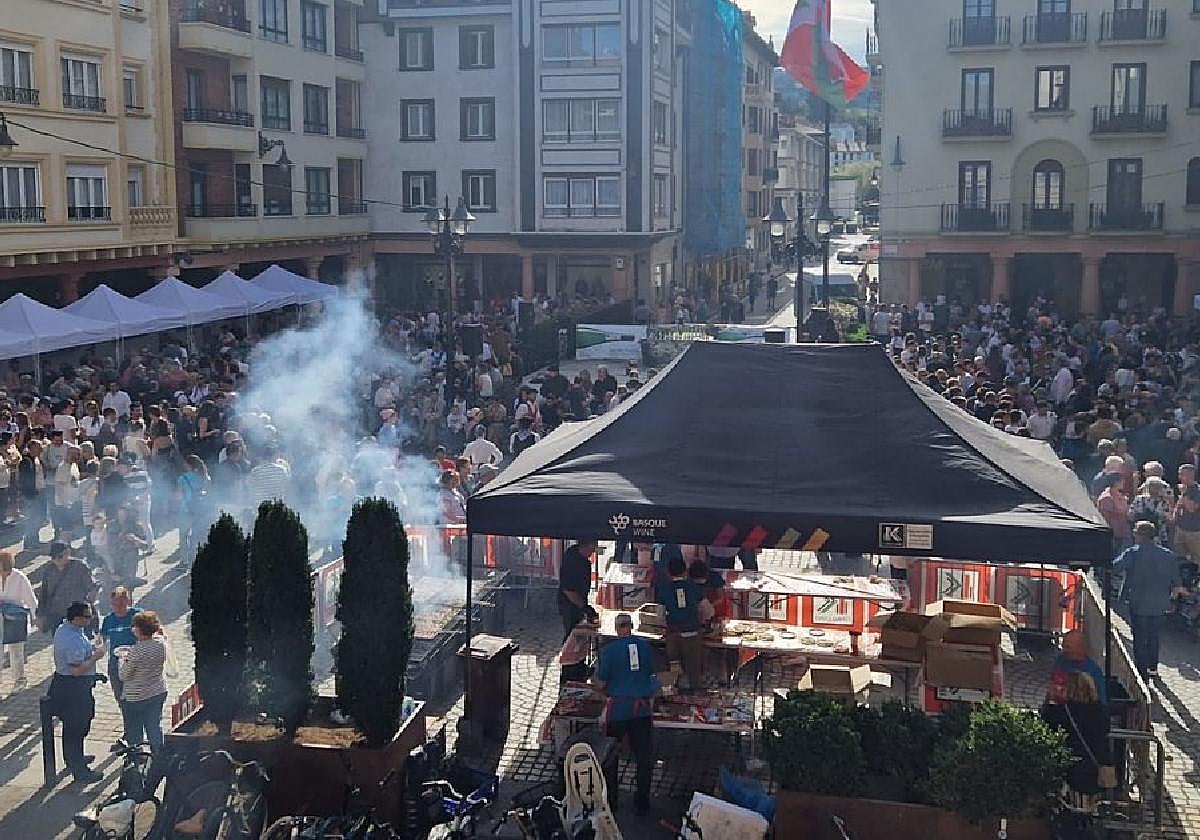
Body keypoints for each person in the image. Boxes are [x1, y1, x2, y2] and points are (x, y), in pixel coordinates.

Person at [593, 611, 658, 816]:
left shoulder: (609, 651)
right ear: (631, 627)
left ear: (616, 629)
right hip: (641, 710)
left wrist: (599, 689)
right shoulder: (646, 647)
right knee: (644, 757)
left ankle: (611, 800)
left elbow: (601, 683)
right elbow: (651, 677)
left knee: (611, 756)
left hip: (619, 711)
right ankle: (642, 801)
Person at [1113, 521, 1186, 679]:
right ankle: (1153, 667)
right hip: (1159, 603)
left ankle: (1141, 672)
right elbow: (1177, 581)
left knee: (1139, 636)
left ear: (1139, 535)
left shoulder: (1133, 552)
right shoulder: (1168, 555)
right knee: (1154, 636)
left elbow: (1115, 567)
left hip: (1138, 602)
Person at [49, 601, 106, 783]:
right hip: (73, 688)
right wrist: (96, 656)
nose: (91, 620)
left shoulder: (66, 629)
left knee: (76, 727)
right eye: (88, 617)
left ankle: (75, 758)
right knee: (76, 728)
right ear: (78, 618)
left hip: (69, 685)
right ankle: (80, 771)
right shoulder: (72, 639)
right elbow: (76, 670)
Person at [115, 610, 169, 750]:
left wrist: (122, 659)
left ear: (139, 629)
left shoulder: (137, 650)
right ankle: (158, 757)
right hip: (157, 691)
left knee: (135, 730)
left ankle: (137, 757)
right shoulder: (160, 643)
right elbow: (162, 636)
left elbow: (123, 675)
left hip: (137, 697)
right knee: (154, 727)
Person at [654, 554, 704, 692]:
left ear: (668, 573)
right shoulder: (694, 587)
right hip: (692, 633)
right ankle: (695, 698)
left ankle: (674, 696)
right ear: (685, 571)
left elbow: (659, 615)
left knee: (675, 668)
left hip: (673, 634)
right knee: (693, 669)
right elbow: (707, 610)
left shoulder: (664, 589)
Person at [37, 541, 97, 634]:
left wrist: (91, 599)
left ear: (68, 553)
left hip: (78, 615)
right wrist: (40, 616)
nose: (56, 560)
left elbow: (91, 587)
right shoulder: (49, 570)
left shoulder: (80, 567)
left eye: (60, 556)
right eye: (53, 557)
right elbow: (43, 594)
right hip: (57, 614)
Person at [0, 550, 37, 692]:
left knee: (16, 652)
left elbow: (30, 599)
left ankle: (19, 680)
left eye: (3, 570)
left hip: (15, 619)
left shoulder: (19, 577)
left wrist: (35, 616)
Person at [100, 586, 140, 710]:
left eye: (121, 603)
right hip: (115, 664)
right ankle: (128, 722)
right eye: (114, 604)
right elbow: (103, 637)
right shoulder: (108, 619)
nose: (118, 607)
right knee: (121, 698)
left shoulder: (137, 615)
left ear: (128, 601)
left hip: (135, 663)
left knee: (137, 698)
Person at [1048, 629, 1107, 705]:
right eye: (1063, 646)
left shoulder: (1093, 671)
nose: (1064, 650)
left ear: (1080, 648)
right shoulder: (1060, 661)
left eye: (1068, 647)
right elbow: (1051, 686)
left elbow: (1101, 702)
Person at [558, 539, 598, 640]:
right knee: (572, 634)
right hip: (569, 604)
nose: (593, 552)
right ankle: (569, 653)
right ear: (584, 546)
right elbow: (568, 590)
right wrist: (584, 606)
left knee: (577, 632)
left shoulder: (582, 557)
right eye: (592, 549)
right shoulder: (572, 560)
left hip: (578, 601)